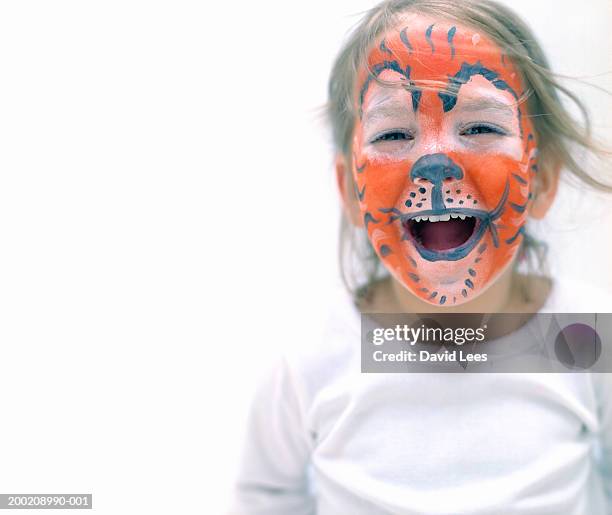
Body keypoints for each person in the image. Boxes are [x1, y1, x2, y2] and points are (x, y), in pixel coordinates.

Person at [229, 0, 612, 513]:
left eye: (480, 128)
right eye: (393, 134)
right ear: (351, 191)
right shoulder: (313, 358)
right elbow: (266, 494)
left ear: (541, 177)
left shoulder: (584, 337)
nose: (434, 164)